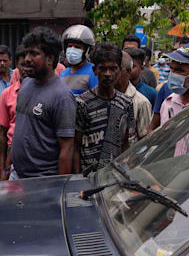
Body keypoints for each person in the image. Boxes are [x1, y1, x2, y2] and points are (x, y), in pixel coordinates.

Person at [10, 27, 78, 178]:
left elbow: (67, 148)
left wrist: (59, 186)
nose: (27, 59)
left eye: (34, 54)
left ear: (50, 59)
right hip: (17, 176)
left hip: (43, 180)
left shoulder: (62, 96)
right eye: (27, 53)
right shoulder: (26, 84)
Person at [75, 43, 137, 173]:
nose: (108, 74)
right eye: (102, 69)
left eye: (113, 68)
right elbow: (75, 147)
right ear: (95, 70)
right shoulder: (82, 103)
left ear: (120, 70)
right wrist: (77, 178)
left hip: (115, 175)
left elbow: (125, 144)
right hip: (88, 176)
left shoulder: (126, 103)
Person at [0, 54, 33, 180]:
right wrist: (2, 169)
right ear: (16, 66)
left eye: (29, 65)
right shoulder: (7, 94)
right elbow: (2, 133)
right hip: (14, 159)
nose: (26, 69)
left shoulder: (44, 92)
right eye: (22, 65)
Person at [58, 24, 97, 94]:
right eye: (70, 46)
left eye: (77, 47)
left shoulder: (94, 72)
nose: (72, 50)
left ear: (87, 50)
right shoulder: (63, 73)